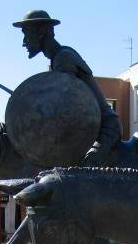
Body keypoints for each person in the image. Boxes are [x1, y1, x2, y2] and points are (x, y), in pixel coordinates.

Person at [12, 10, 121, 166]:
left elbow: (63, 110)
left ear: (41, 32)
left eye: (26, 33)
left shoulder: (64, 59)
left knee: (80, 173)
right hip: (93, 129)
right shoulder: (58, 59)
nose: (24, 41)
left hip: (105, 129)